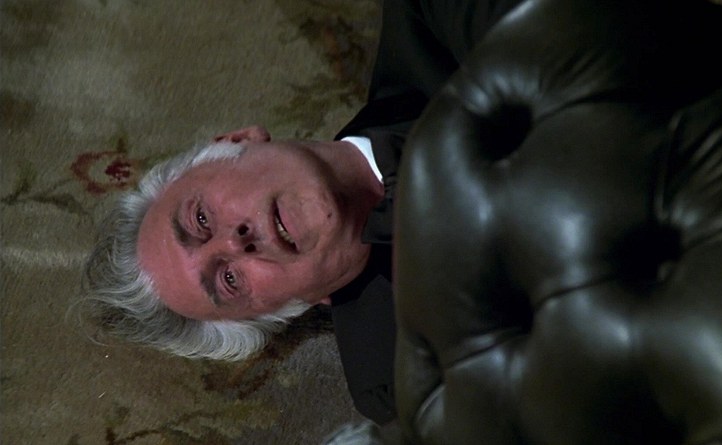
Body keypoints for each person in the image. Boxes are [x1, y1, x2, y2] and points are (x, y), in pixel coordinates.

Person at [84, 0, 525, 426]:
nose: (235, 242)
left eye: (200, 220)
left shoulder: (428, 14)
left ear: (237, 140)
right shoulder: (407, 376)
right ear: (292, 307)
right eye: (229, 279)